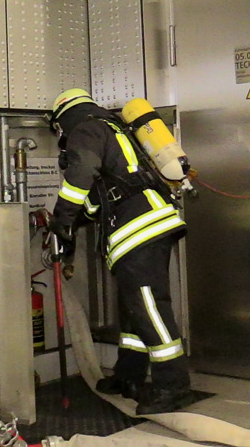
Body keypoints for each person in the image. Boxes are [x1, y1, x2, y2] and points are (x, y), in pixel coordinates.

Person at [48, 88, 191, 415]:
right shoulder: (111, 127)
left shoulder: (85, 129)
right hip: (145, 224)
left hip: (139, 229)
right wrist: (73, 220)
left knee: (149, 306)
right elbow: (100, 196)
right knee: (133, 307)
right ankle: (129, 376)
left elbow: (80, 176)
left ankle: (173, 386)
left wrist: (62, 219)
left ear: (62, 118)